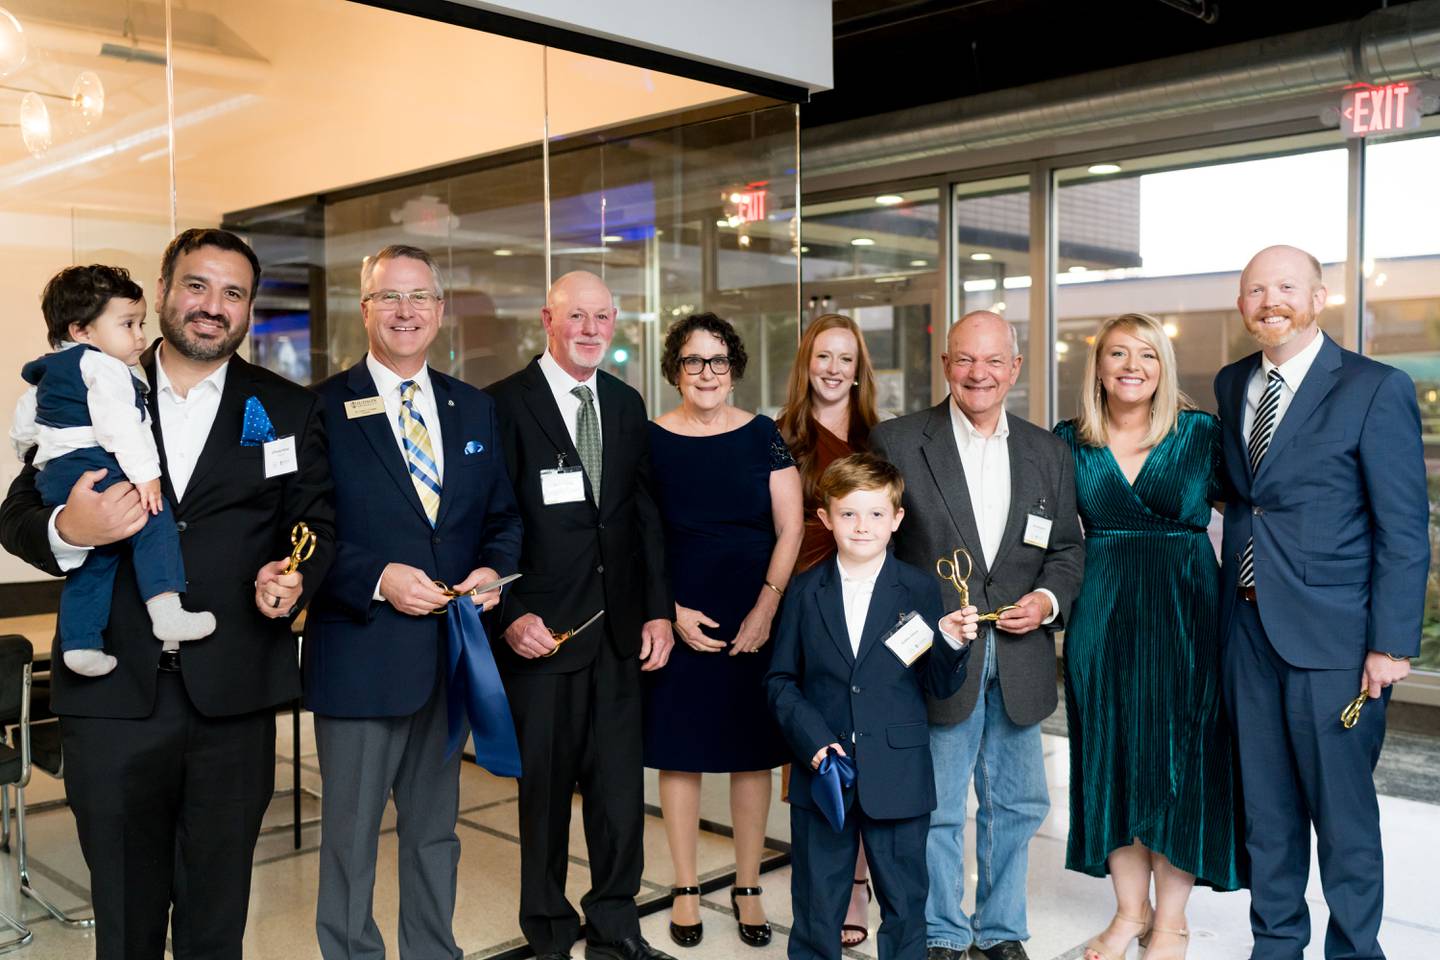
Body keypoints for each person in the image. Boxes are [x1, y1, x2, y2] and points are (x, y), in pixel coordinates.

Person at [0, 228, 336, 960]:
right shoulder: (92, 376)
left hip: (235, 699)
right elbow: (17, 512)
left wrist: (293, 575)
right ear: (161, 292)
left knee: (217, 918)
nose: (213, 306)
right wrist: (70, 528)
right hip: (113, 696)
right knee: (125, 918)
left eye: (233, 293)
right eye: (197, 285)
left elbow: (314, 522)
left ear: (249, 309)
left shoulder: (287, 407)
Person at [305, 245, 523, 960]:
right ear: (366, 310)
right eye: (390, 297)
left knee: (435, 834)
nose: (406, 311)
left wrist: (493, 569)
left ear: (439, 309)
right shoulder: (321, 408)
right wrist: (378, 577)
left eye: (420, 297)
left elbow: (503, 518)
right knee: (350, 841)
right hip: (360, 656)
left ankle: (434, 951)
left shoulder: (474, 407)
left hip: (448, 660)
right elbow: (302, 529)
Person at [1215, 245, 1427, 960]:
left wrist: (1390, 645)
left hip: (1335, 640)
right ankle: (1275, 946)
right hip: (1246, 630)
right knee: (1266, 813)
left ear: (1318, 298)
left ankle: (1355, 952)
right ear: (1242, 305)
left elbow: (1403, 528)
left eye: (1285, 286)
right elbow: (1247, 498)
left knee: (1343, 818)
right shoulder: (1232, 383)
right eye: (1255, 290)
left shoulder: (1375, 387)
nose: (1269, 301)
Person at [871, 311, 1085, 960]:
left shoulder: (1048, 452)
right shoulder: (898, 442)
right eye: (965, 359)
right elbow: (875, 556)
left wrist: (1046, 601)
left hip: (1020, 654)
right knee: (937, 804)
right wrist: (914, 634)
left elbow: (1067, 549)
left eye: (994, 360)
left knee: (1017, 804)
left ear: (1014, 369)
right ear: (945, 365)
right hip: (936, 656)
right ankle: (941, 930)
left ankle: (1001, 929)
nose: (979, 373)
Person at [486, 271, 677, 960]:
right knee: (543, 796)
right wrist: (508, 612)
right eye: (577, 316)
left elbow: (643, 516)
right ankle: (547, 932)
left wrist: (658, 612)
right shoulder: (501, 405)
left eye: (602, 317)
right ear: (548, 319)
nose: (591, 330)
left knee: (619, 794)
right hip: (540, 636)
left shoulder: (625, 403)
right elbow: (485, 521)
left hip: (619, 636)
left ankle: (615, 926)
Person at [1053, 313, 1243, 960]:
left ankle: (1172, 923)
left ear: (1164, 366)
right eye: (1117, 354)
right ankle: (1130, 913)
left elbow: (1258, 514)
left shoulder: (1201, 433)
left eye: (1147, 354)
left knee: (1180, 762)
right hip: (1103, 613)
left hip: (1186, 613)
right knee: (1111, 756)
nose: (1132, 366)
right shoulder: (1070, 439)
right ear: (1098, 367)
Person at [766, 452, 978, 960]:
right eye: (849, 514)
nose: (863, 526)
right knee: (816, 904)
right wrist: (814, 742)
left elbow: (938, 685)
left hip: (899, 773)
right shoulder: (804, 589)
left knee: (906, 905)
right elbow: (780, 681)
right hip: (823, 772)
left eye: (876, 514)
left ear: (897, 519)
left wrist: (951, 644)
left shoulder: (919, 588)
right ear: (826, 518)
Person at [644, 312, 803, 949]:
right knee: (680, 754)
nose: (706, 372)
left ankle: (747, 885)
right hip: (679, 613)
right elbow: (636, 535)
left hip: (752, 613)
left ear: (733, 370)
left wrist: (766, 609)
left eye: (717, 361)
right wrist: (669, 609)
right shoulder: (651, 439)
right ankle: (685, 886)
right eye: (693, 360)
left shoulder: (763, 434)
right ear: (675, 371)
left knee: (750, 754)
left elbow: (791, 527)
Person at [11, 265, 215, 678]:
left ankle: (81, 644)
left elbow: (23, 430)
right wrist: (146, 476)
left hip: (58, 472)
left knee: (95, 559)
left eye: (141, 324)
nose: (140, 336)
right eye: (128, 325)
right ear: (82, 331)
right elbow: (119, 424)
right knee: (154, 520)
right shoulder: (104, 367)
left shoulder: (48, 371)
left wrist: (42, 456)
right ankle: (167, 612)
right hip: (98, 463)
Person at [775, 312, 883, 947]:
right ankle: (822, 885)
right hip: (806, 605)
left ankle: (859, 884)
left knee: (866, 743)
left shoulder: (881, 437)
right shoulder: (780, 436)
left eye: (846, 358)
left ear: (859, 368)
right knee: (815, 742)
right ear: (806, 364)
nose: (834, 369)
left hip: (868, 603)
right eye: (823, 356)